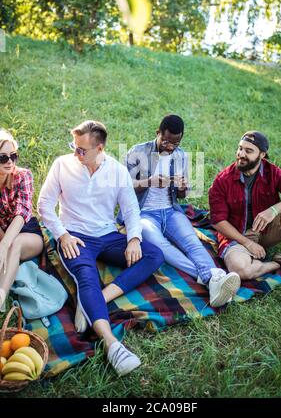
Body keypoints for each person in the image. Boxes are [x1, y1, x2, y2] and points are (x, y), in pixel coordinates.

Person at [38, 120, 164, 377]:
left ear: (100, 148)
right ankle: (112, 344)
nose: (76, 153)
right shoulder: (63, 165)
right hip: (75, 237)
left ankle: (95, 301)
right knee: (87, 278)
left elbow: (130, 209)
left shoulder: (117, 171)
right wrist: (62, 235)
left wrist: (134, 239)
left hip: (107, 235)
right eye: (74, 147)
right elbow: (44, 205)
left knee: (154, 254)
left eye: (82, 149)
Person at [125, 115, 240, 308]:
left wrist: (182, 188)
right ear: (158, 133)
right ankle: (211, 278)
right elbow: (124, 188)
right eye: (166, 141)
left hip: (170, 210)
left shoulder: (181, 156)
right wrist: (149, 182)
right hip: (144, 214)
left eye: (176, 143)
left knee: (192, 243)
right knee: (161, 246)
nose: (170, 147)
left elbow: (181, 196)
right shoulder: (138, 152)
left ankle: (213, 280)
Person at [209, 130, 281, 287]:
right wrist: (248, 243)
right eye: (240, 148)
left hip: (267, 230)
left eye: (248, 151)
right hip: (237, 236)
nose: (241, 154)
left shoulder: (272, 172)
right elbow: (218, 221)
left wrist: (273, 211)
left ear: (262, 154)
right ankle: (279, 263)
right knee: (241, 271)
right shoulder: (222, 180)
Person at [0, 129, 43, 312]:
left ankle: (1, 296)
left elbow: (22, 212)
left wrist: (3, 245)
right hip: (2, 232)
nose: (9, 161)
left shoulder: (23, 175)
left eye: (13, 156)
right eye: (3, 157)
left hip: (27, 231)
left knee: (13, 244)